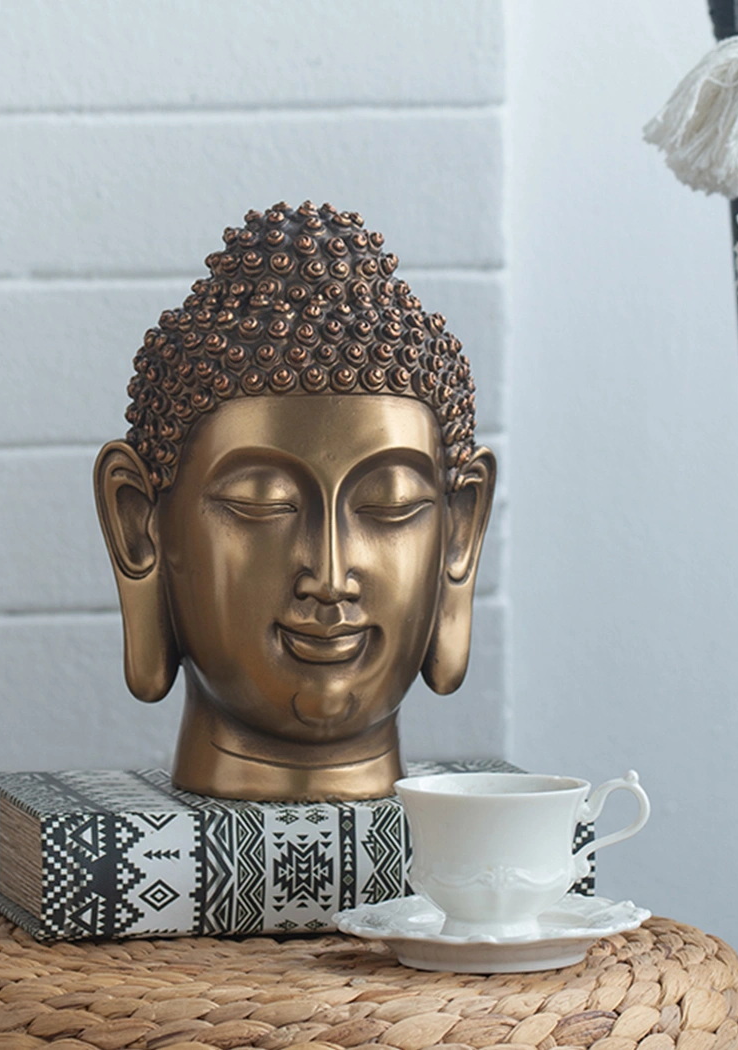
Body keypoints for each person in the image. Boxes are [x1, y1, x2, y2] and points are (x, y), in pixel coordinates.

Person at [94, 201, 496, 801]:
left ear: (460, 531)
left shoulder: (479, 848)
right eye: (264, 503)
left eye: (390, 504)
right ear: (139, 529)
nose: (330, 579)